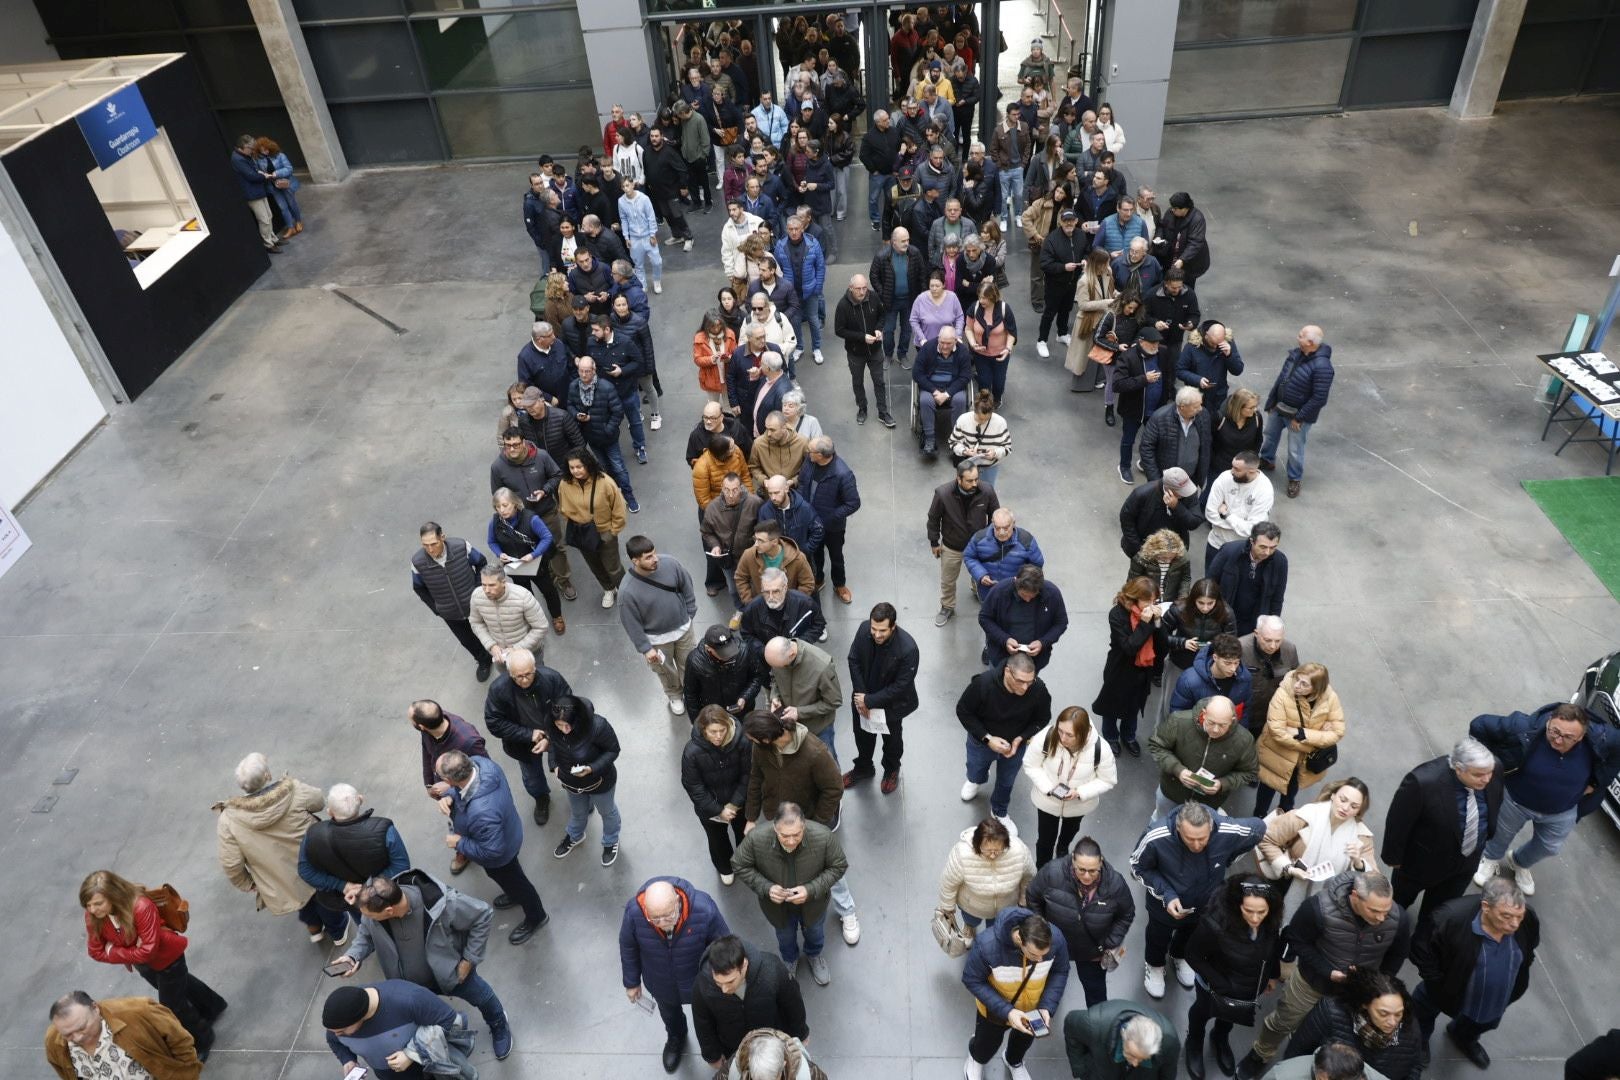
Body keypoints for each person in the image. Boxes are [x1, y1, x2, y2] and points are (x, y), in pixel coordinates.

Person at [1236, 872, 1412, 1078]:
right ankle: (1260, 1054)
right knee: (1283, 1022)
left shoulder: (1398, 918)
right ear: (1355, 896)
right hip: (1311, 982)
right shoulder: (1317, 908)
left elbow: (1397, 954)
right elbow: (1297, 940)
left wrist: (1378, 984)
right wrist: (1328, 971)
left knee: (1335, 1033)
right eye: (1374, 911)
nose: (1381, 918)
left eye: (1386, 911)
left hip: (1357, 992)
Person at [332, 872, 512, 1060]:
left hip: (450, 973)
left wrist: (469, 960)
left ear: (389, 911)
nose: (366, 918)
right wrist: (352, 956)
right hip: (409, 986)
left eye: (370, 916)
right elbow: (365, 934)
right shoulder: (373, 911)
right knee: (427, 1017)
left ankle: (498, 1022)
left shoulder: (444, 904)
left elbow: (483, 914)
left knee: (482, 996)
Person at [1470, 699, 1617, 894]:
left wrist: (1597, 782)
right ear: (1549, 721)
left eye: (1567, 737)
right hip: (1516, 800)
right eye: (1554, 731)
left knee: (1550, 847)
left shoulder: (1603, 739)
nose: (1558, 740)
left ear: (1582, 736)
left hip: (1563, 810)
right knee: (1501, 833)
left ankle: (1519, 862)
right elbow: (1480, 725)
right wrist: (1484, 765)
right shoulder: (1523, 727)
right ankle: (1490, 858)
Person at [78, 871, 228, 1057]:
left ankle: (203, 1037)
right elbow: (95, 951)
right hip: (143, 964)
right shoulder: (92, 915)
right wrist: (129, 952)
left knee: (172, 1006)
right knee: (182, 985)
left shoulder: (141, 906)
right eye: (88, 905)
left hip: (168, 958)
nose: (92, 910)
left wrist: (111, 950)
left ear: (114, 895)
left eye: (98, 903)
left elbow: (148, 950)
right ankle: (213, 1006)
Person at [1130, 802, 1266, 1001]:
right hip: (1163, 905)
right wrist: (1167, 894)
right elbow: (1137, 867)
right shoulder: (1156, 837)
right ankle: (1155, 965)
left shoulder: (1226, 829)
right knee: (1158, 936)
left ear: (1210, 827)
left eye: (1202, 839)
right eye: (1190, 839)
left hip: (1204, 902)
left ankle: (1179, 956)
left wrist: (1228, 858)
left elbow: (1259, 828)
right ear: (1178, 828)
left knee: (1191, 932)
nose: (1196, 845)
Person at [214, 753, 347, 945]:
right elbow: (319, 801)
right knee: (323, 894)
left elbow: (231, 862)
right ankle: (338, 931)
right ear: (267, 775)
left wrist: (248, 883)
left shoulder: (228, 819)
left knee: (297, 895)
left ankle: (314, 927)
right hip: (313, 860)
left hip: (278, 874)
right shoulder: (294, 790)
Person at [1410, 878, 1539, 1070]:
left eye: (1519, 916)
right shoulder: (1449, 918)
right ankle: (1420, 1040)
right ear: (1486, 907)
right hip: (1447, 990)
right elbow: (1421, 950)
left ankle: (1463, 1037)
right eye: (1506, 916)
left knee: (1483, 1022)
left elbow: (1530, 946)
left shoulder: (1527, 918)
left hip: (1496, 998)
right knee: (1424, 1011)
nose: (1515, 924)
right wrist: (1438, 983)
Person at [1382, 736, 1502, 928]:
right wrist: (1393, 858)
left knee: (1438, 915)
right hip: (1421, 863)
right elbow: (1399, 822)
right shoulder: (1423, 782)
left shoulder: (1493, 769)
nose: (1487, 779)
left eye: (1489, 773)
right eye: (1479, 775)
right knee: (1396, 907)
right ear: (1458, 768)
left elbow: (1496, 801)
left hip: (1464, 864)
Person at [434, 749, 549, 944]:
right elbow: (465, 789)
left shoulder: (481, 813)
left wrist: (459, 842)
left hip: (501, 855)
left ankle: (536, 916)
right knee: (510, 881)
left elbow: (492, 851)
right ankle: (514, 894)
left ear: (449, 780)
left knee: (517, 882)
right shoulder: (480, 764)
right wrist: (451, 796)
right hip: (508, 830)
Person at [620, 877, 731, 1074]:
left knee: (709, 1015)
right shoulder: (634, 912)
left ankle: (717, 1043)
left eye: (668, 916)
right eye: (655, 918)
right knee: (670, 1015)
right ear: (645, 908)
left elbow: (723, 945)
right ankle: (676, 1037)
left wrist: (722, 978)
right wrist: (631, 982)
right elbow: (628, 946)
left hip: (699, 981)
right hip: (660, 982)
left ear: (677, 902)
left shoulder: (704, 909)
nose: (662, 923)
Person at [732, 802, 848, 987]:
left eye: (797, 834)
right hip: (778, 909)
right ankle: (790, 959)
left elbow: (839, 865)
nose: (791, 841)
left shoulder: (823, 837)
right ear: (775, 828)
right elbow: (739, 864)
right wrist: (766, 888)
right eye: (785, 835)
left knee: (815, 934)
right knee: (785, 938)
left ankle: (814, 955)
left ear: (804, 826)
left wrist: (810, 890)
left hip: (813, 905)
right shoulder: (756, 839)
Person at [1182, 876, 1284, 1080]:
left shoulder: (1271, 922)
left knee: (1232, 1014)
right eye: (1248, 910)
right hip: (1213, 985)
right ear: (1237, 904)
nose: (1255, 918)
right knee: (1202, 1012)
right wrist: (1220, 984)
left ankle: (1220, 1036)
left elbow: (1273, 949)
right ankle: (1194, 1041)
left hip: (1247, 986)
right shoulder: (1215, 923)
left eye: (1262, 912)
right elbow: (1193, 955)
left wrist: (1272, 975)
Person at [960, 908, 1069, 1080]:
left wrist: (1046, 1006)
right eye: (1034, 954)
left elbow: (1060, 971)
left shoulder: (1056, 939)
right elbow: (972, 979)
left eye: (1044, 955)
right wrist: (1008, 1012)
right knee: (986, 1044)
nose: (1040, 960)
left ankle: (1014, 1061)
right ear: (1019, 939)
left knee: (1022, 1044)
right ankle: (976, 1059)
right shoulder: (986, 945)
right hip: (994, 1009)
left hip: (1032, 1008)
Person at [692, 935, 810, 1073]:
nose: (724, 989)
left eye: (730, 981)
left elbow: (793, 1003)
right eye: (718, 983)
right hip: (733, 1048)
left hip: (772, 1043)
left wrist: (801, 1033)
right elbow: (702, 1022)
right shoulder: (702, 985)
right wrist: (712, 1056)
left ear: (744, 965)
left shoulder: (772, 969)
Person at [958, 654, 1053, 824]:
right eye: (1020, 681)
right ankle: (976, 780)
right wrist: (987, 738)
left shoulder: (1038, 689)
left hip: (1015, 746)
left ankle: (999, 810)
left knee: (1007, 781)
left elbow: (1042, 718)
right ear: (1007, 671)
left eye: (1030, 681)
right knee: (975, 768)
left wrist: (1021, 738)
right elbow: (964, 711)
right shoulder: (983, 684)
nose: (1025, 687)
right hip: (981, 742)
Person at [1258, 779, 1377, 913]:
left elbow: (1375, 880)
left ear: (1359, 811)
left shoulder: (1361, 836)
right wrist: (1288, 868)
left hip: (1329, 904)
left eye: (1354, 806)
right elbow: (1267, 839)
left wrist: (1359, 863)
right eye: (1343, 800)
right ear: (1333, 795)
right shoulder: (1306, 816)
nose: (1345, 808)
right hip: (1286, 884)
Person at [1283, 972, 1424, 1080]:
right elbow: (1297, 1051)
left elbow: (1414, 1065)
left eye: (1398, 1014)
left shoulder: (1409, 1024)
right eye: (1383, 1013)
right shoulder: (1330, 1013)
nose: (1393, 1022)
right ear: (1364, 1005)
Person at [298, 782, 410, 918]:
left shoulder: (313, 834)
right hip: (382, 897)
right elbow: (401, 866)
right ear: (360, 800)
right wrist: (368, 888)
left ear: (330, 812)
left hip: (351, 900)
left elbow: (305, 871)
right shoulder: (385, 830)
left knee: (363, 922)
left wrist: (343, 886)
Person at [1023, 709, 1118, 867]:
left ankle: (1062, 849)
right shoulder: (1047, 736)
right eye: (1060, 731)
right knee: (1045, 840)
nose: (1062, 738)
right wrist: (1048, 788)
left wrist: (1080, 793)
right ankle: (1043, 869)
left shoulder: (1101, 749)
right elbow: (1030, 764)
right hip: (1048, 802)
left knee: (1069, 832)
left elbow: (1107, 780)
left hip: (1078, 805)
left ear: (1084, 733)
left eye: (1069, 735)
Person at [616, 535, 699, 715]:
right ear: (635, 561)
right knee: (666, 671)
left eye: (654, 553)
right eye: (648, 557)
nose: (655, 559)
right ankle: (675, 695)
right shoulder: (627, 591)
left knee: (689, 663)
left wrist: (690, 612)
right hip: (657, 641)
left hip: (684, 630)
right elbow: (631, 623)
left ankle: (692, 692)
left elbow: (686, 585)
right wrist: (646, 648)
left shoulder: (671, 564)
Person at [843, 602, 920, 793]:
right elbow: (853, 660)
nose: (877, 634)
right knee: (862, 736)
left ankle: (892, 769)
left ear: (893, 626)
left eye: (882, 630)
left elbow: (901, 686)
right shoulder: (864, 630)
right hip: (863, 698)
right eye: (874, 629)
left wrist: (869, 701)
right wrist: (862, 697)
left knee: (892, 741)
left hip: (891, 705)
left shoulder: (908, 649)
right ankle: (864, 767)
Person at [492, 430, 574, 608]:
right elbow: (498, 495)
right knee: (532, 549)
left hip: (546, 511)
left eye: (515, 444)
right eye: (507, 445)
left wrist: (545, 490)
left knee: (556, 547)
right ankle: (548, 579)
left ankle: (563, 580)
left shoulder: (541, 456)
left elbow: (557, 475)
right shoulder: (498, 467)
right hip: (523, 520)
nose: (511, 449)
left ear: (523, 442)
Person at [321, 981, 468, 1079]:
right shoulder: (339, 1021)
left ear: (360, 1017)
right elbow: (334, 1041)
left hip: (430, 1071)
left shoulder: (411, 999)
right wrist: (348, 1060)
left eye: (341, 1031)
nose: (336, 1034)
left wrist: (412, 1054)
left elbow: (453, 1022)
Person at [541, 694, 623, 866]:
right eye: (559, 725)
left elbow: (613, 750)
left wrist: (592, 768)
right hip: (572, 783)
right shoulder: (553, 727)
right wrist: (554, 765)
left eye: (568, 725)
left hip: (600, 781)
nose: (564, 730)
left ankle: (610, 840)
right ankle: (575, 835)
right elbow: (553, 745)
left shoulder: (598, 726)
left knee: (607, 812)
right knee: (578, 813)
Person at [45, 991, 201, 1080]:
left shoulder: (139, 1011)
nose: (78, 1038)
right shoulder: (53, 1041)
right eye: (68, 1034)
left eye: (82, 1028)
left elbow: (180, 1040)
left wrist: (188, 1074)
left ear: (95, 1008)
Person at [1255, 663, 1346, 816]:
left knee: (1291, 790)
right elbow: (1277, 732)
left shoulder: (1330, 698)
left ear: (1316, 688)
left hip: (1301, 762)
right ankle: (1259, 817)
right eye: (1297, 679)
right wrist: (1314, 743)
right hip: (1277, 755)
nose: (1296, 685)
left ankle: (1285, 815)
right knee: (1267, 787)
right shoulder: (1283, 693)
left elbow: (1338, 731)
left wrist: (1302, 733)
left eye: (1304, 684)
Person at [1149, 695, 1258, 818]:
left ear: (1232, 720)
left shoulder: (1244, 740)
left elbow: (1249, 772)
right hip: (1172, 793)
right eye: (1211, 722)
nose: (1216, 730)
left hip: (1207, 803)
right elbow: (1157, 746)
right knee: (1161, 821)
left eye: (1222, 725)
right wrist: (1178, 770)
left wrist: (1223, 784)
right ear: (1204, 714)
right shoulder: (1179, 721)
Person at [1092, 576, 1166, 757]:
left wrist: (1158, 622)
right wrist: (1145, 624)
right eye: (1147, 601)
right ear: (1134, 597)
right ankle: (1110, 736)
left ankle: (1129, 736)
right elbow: (1129, 647)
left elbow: (1162, 646)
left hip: (1143, 670)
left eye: (1154, 601)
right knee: (1111, 706)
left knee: (1134, 705)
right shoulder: (1117, 614)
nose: (1151, 605)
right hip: (1120, 668)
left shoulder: (1151, 615)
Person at [410, 522, 492, 681]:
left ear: (442, 537)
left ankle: (504, 656)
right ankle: (483, 661)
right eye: (425, 545)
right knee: (467, 641)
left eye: (433, 544)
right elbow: (419, 588)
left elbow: (481, 563)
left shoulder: (461, 547)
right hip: (450, 613)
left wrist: (478, 590)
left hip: (476, 605)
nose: (430, 549)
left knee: (491, 631)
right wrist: (437, 608)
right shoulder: (417, 562)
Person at [683, 704, 755, 884]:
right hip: (710, 809)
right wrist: (718, 810)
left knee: (743, 834)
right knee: (717, 840)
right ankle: (725, 867)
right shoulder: (692, 752)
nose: (718, 736)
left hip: (739, 803)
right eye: (713, 732)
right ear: (703, 730)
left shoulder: (743, 743)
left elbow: (748, 775)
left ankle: (745, 863)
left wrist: (734, 804)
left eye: (722, 730)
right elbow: (694, 787)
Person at [1261, 326, 1335, 499]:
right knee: (1270, 435)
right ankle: (1267, 459)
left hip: (1298, 416)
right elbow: (1281, 379)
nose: (1297, 337)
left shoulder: (1323, 367)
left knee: (1295, 449)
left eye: (1301, 336)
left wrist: (1300, 417)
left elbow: (1319, 398)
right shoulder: (1295, 354)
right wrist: (1272, 401)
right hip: (1280, 407)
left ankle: (1294, 478)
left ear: (1310, 342)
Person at [938, 817, 1038, 941]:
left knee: (995, 930)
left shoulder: (1019, 851)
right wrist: (947, 907)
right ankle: (969, 927)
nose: (992, 855)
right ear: (977, 844)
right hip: (972, 906)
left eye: (997, 851)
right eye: (988, 851)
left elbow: (1029, 878)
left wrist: (1023, 900)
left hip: (1004, 906)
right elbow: (948, 882)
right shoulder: (962, 854)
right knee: (971, 920)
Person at [928, 458, 1001, 624]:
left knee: (981, 573)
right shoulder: (943, 494)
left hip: (978, 545)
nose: (974, 484)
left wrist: (990, 539)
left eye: (976, 479)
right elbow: (933, 518)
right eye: (969, 480)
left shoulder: (987, 491)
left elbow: (995, 516)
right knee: (948, 579)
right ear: (958, 479)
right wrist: (934, 542)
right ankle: (947, 606)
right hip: (952, 545)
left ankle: (977, 589)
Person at [557, 448, 629, 608]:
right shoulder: (565, 484)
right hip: (581, 532)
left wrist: (613, 531)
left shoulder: (605, 482)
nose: (575, 471)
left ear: (588, 464)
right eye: (571, 467)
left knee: (613, 567)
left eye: (579, 466)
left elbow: (619, 508)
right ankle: (608, 589)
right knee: (594, 565)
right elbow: (563, 508)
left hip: (604, 532)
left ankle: (625, 591)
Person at [798, 435, 859, 600]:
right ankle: (818, 579)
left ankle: (839, 584)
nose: (807, 453)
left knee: (836, 556)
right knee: (815, 552)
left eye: (810, 451)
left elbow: (854, 503)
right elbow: (802, 481)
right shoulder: (810, 461)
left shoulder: (843, 474)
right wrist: (801, 503)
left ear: (821, 455)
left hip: (832, 527)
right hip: (810, 520)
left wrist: (831, 516)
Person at [764, 635, 843, 762]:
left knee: (828, 761)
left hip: (818, 729)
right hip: (792, 726)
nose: (778, 668)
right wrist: (775, 696)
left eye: (781, 666)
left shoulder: (822, 667)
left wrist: (799, 712)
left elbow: (834, 702)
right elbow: (774, 679)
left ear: (791, 654)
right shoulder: (778, 659)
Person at [979, 564, 1069, 671]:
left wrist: (1042, 642)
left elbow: (1061, 623)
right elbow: (985, 618)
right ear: (1016, 582)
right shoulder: (999, 591)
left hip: (1034, 662)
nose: (1027, 600)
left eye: (1032, 596)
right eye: (1023, 595)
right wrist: (1004, 639)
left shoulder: (1052, 594)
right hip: (1001, 658)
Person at [1063, 1000, 1180, 1080]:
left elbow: (1167, 1075)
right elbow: (1070, 1024)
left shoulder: (1170, 1043)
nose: (1135, 1063)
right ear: (1124, 1034)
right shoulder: (1092, 1025)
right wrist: (1080, 1069)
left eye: (1142, 1058)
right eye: (1132, 1054)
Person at [1161, 583, 1238, 703]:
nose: (1205, 608)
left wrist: (1213, 646)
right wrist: (1182, 643)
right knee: (1171, 701)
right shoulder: (1179, 609)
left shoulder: (1226, 613)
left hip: (1209, 668)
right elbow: (1160, 635)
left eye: (1210, 603)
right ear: (1193, 599)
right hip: (1180, 662)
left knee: (1203, 705)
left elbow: (1230, 642)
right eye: (1201, 603)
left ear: (1216, 601)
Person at [1208, 521, 1288, 636]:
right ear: (1252, 541)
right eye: (1263, 547)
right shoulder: (1229, 552)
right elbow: (1210, 583)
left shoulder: (1280, 562)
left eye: (1272, 548)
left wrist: (1271, 626)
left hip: (1255, 624)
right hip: (1225, 617)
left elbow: (1277, 599)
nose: (1267, 552)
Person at [833, 273, 891, 426]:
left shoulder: (874, 297)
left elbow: (882, 316)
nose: (862, 292)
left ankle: (883, 412)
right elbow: (839, 330)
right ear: (850, 288)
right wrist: (862, 337)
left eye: (864, 288)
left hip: (875, 350)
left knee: (879, 381)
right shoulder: (843, 305)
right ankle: (862, 408)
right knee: (858, 382)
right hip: (855, 353)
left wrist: (879, 329)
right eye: (858, 289)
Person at [1113, 325, 1168, 486]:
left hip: (1155, 409)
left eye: (1157, 343)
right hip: (1133, 410)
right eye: (1153, 343)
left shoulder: (1162, 353)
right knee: (1128, 440)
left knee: (1154, 440)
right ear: (1142, 342)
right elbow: (1117, 385)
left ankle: (1145, 463)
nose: (1156, 347)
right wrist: (1144, 379)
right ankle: (1124, 466)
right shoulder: (1128, 357)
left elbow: (1169, 375)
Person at [469, 560, 548, 668]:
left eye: (492, 585)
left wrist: (516, 649)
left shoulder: (523, 597)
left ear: (503, 582)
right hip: (500, 656)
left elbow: (541, 627)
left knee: (535, 674)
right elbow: (476, 622)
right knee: (506, 677)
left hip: (528, 653)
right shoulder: (477, 596)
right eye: (483, 584)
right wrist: (491, 646)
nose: (486, 590)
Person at [1204, 451, 1275, 571]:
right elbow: (1210, 514)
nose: (1231, 471)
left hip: (1242, 550)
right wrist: (1241, 523)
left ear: (1251, 471)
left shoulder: (1264, 490)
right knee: (1210, 580)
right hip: (1216, 544)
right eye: (1232, 466)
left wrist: (1227, 515)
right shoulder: (1224, 478)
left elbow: (1252, 530)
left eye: (1237, 469)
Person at [870, 225, 928, 365]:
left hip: (910, 300)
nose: (907, 243)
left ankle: (902, 354)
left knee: (907, 330)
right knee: (888, 330)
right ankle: (888, 355)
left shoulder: (915, 253)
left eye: (908, 240)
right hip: (890, 301)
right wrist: (882, 293)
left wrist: (922, 296)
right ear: (893, 242)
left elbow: (922, 274)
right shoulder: (882, 256)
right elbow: (873, 276)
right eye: (903, 241)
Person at [913, 325, 973, 457]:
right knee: (925, 400)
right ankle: (929, 438)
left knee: (960, 400)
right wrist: (934, 391)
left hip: (952, 386)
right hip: (931, 386)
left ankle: (957, 439)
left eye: (949, 343)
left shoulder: (963, 351)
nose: (945, 346)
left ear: (956, 340)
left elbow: (965, 377)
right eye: (942, 342)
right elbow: (917, 374)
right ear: (938, 338)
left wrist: (947, 394)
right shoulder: (928, 348)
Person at [1141, 385, 1213, 492]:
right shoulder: (1160, 418)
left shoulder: (1203, 415)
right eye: (1195, 407)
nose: (1200, 409)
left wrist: (1201, 476)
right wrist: (1156, 482)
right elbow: (1146, 449)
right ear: (1182, 407)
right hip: (1166, 482)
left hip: (1190, 480)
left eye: (1200, 405)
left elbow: (1206, 446)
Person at [774, 216, 826, 364]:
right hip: (791, 293)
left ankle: (816, 348)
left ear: (802, 228)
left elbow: (820, 267)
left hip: (810, 291)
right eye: (791, 229)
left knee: (813, 320)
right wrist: (783, 290)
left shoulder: (813, 244)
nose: (794, 232)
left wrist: (817, 287)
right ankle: (799, 347)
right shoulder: (780, 245)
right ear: (787, 229)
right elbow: (777, 269)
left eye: (797, 229)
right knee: (795, 321)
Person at [1120, 467, 1204, 556]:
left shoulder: (1189, 494)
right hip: (1144, 548)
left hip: (1172, 552)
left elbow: (1194, 522)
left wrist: (1177, 507)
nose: (1186, 493)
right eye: (1181, 491)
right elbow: (1126, 520)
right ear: (1169, 490)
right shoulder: (1142, 494)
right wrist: (1139, 549)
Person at [1036, 209, 1087, 354]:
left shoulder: (1081, 235)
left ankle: (1062, 334)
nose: (1069, 223)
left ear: (1076, 221)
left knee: (1066, 309)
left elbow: (1087, 251)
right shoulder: (1051, 239)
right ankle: (1041, 341)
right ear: (1060, 222)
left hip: (1072, 282)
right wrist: (1063, 267)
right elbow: (1044, 263)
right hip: (1055, 284)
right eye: (1066, 221)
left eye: (1071, 220)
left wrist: (1085, 260)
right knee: (1049, 313)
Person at [735, 519, 817, 604]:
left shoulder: (798, 558)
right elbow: (740, 578)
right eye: (755, 539)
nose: (756, 544)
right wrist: (750, 602)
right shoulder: (749, 555)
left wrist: (793, 604)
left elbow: (807, 584)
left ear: (774, 542)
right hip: (761, 606)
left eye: (761, 541)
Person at [740, 566, 825, 645]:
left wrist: (797, 645)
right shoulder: (752, 608)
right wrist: (764, 650)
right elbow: (746, 634)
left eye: (776, 591)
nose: (771, 597)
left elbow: (818, 624)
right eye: (766, 592)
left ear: (785, 588)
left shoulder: (805, 603)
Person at [230, 134, 282, 253]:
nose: (253, 151)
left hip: (258, 190)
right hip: (252, 194)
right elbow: (251, 176)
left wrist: (260, 173)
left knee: (269, 216)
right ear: (243, 147)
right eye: (251, 149)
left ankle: (273, 239)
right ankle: (268, 244)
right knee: (264, 219)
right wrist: (264, 176)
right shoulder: (238, 159)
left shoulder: (244, 156)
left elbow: (254, 171)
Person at [1156, 191, 1211, 286]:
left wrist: (1182, 259)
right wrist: (1159, 236)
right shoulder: (1171, 212)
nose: (1172, 210)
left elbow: (1195, 243)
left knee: (1186, 286)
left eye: (1175, 208)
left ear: (1185, 208)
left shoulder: (1197, 219)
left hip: (1189, 263)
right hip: (1170, 258)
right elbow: (1162, 225)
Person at [1129, 529, 1192, 609]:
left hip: (1171, 600)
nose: (1168, 561)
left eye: (1171, 557)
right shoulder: (1141, 559)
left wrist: (1182, 599)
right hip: (1148, 601)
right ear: (1155, 552)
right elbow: (1132, 582)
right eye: (1163, 558)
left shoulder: (1183, 558)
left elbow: (1186, 578)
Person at [860, 109, 901, 230]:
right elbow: (863, 155)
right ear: (878, 122)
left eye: (888, 118)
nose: (888, 121)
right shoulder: (869, 137)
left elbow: (899, 146)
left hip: (892, 173)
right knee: (873, 199)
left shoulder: (894, 131)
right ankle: (875, 219)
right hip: (877, 175)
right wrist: (873, 170)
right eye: (885, 120)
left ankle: (891, 217)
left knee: (893, 197)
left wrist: (897, 166)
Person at [1213, 387, 1265, 475]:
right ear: (1239, 408)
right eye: (1251, 407)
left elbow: (1258, 440)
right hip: (1220, 468)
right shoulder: (1219, 418)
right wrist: (1215, 462)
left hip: (1244, 468)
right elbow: (1210, 442)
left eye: (1255, 406)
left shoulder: (1257, 417)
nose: (1255, 409)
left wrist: (1251, 459)